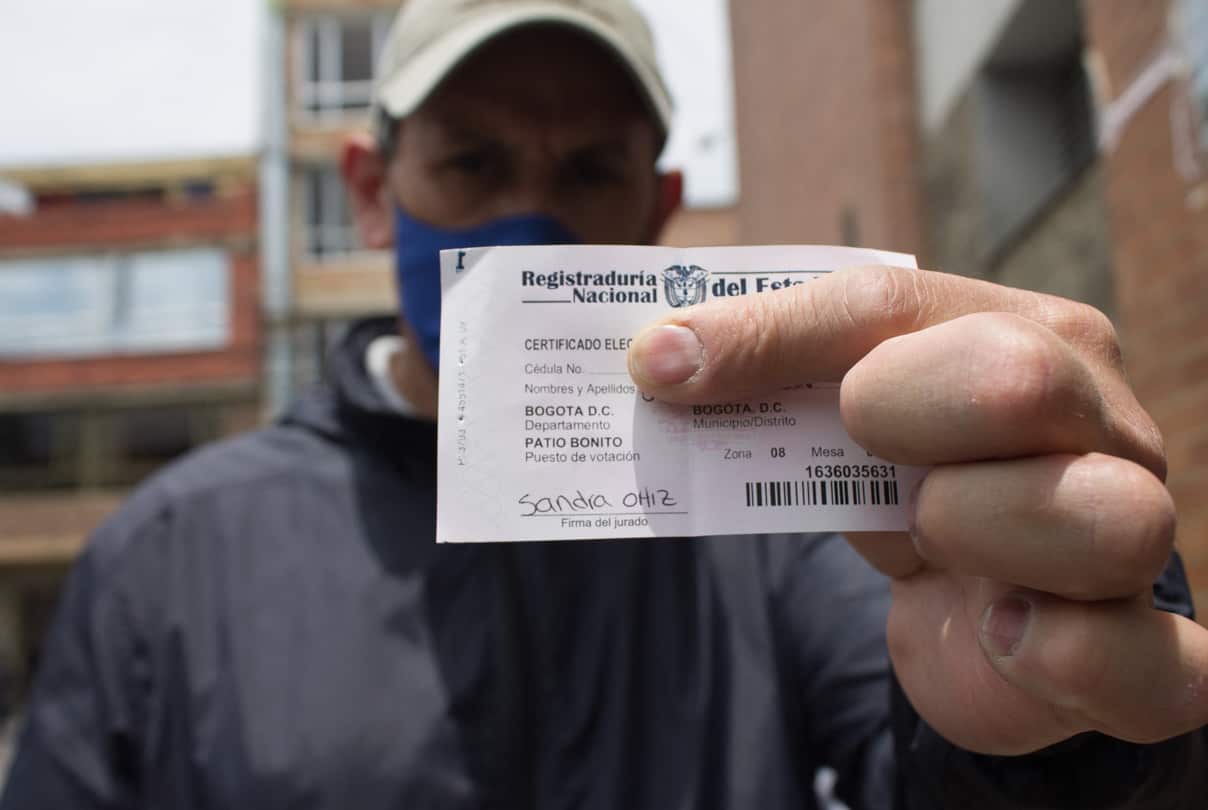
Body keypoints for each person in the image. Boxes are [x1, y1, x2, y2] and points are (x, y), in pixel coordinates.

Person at [4, 1, 1207, 807]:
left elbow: (954, 720)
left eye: (588, 168)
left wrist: (1067, 693)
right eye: (471, 163)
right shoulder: (170, 558)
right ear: (373, 191)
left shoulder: (793, 517)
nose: (529, 219)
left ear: (659, 205)